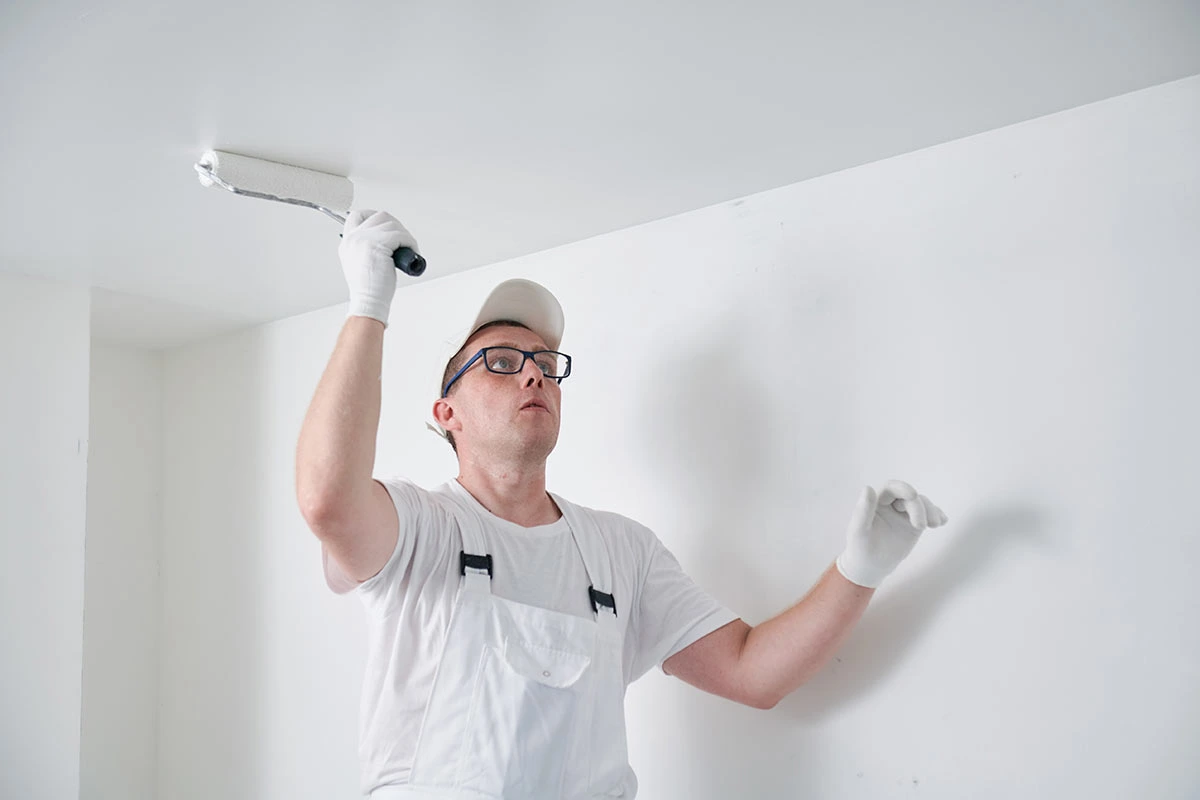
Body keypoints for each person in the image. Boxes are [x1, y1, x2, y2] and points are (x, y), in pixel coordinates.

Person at [296, 210, 949, 799]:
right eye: (499, 362)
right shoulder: (418, 528)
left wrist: (860, 568)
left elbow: (753, 675)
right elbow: (328, 498)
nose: (532, 374)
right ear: (448, 415)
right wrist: (369, 300)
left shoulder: (620, 553)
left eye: (547, 366)